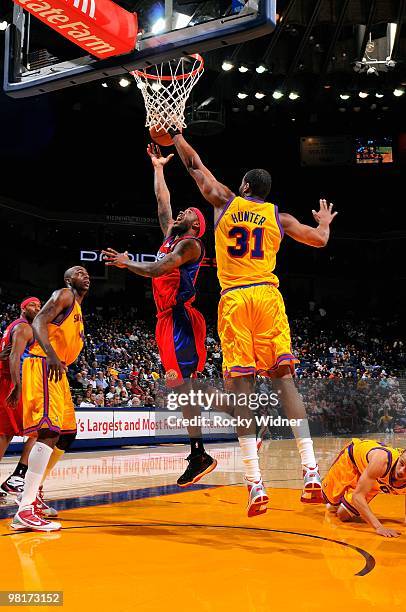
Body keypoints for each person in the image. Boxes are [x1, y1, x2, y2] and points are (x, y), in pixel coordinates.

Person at [169, 129, 337, 511]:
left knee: (241, 388)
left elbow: (195, 167)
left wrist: (177, 136)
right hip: (267, 296)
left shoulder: (225, 202)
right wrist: (325, 221)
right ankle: (311, 472)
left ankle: (254, 482)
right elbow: (319, 240)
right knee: (285, 383)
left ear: (244, 185)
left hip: (236, 299)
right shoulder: (280, 216)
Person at [103, 143, 217, 488]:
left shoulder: (190, 246)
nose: (181, 213)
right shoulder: (171, 236)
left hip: (181, 319)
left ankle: (203, 450)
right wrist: (158, 168)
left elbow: (158, 269)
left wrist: (126, 263)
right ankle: (199, 452)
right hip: (166, 320)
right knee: (180, 388)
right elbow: (163, 203)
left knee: (184, 387)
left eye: (189, 213)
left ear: (197, 225)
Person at [11, 266, 90, 532]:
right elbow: (38, 321)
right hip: (44, 363)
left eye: (87, 272)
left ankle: (36, 492)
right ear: (68, 279)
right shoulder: (64, 295)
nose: (85, 274)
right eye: (79, 271)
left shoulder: (77, 308)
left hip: (58, 370)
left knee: (66, 434)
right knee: (47, 433)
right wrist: (53, 356)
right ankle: (25, 507)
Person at [0, 298, 41, 499]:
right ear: (23, 308)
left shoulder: (12, 327)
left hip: (9, 381)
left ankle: (18, 474)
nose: (38, 308)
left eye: (40, 306)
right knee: (36, 429)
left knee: (8, 433)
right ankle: (18, 476)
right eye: (33, 305)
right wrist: (17, 385)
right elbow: (14, 356)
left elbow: (7, 354)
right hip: (13, 383)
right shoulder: (24, 328)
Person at [323, 438, 406, 537]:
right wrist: (379, 527)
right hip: (352, 461)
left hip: (374, 478)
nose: (401, 471)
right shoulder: (382, 460)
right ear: (400, 456)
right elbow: (357, 496)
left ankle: (358, 486)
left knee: (342, 515)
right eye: (401, 463)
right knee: (331, 504)